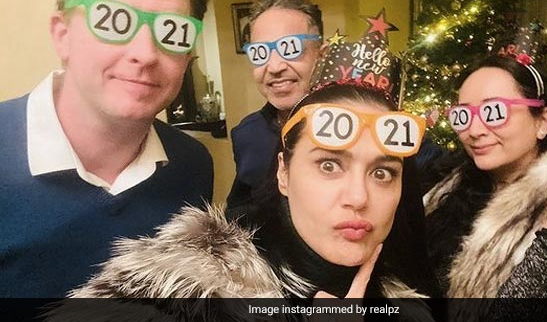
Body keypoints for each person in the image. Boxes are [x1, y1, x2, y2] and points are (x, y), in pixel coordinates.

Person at [60, 81, 433, 321]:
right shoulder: (180, 294)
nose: (358, 197)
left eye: (383, 173)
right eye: (329, 165)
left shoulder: (405, 299)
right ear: (283, 173)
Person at [0, 0, 213, 298]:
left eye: (172, 31)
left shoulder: (192, 165)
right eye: (114, 21)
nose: (145, 54)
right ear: (63, 34)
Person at [423, 55, 547, 301]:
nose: (474, 131)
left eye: (494, 112)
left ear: (543, 121)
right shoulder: (446, 188)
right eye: (462, 115)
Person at [225, 0, 326, 221]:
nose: (275, 67)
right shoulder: (247, 134)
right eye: (260, 53)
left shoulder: (355, 127)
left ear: (321, 56)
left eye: (290, 48)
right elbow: (239, 210)